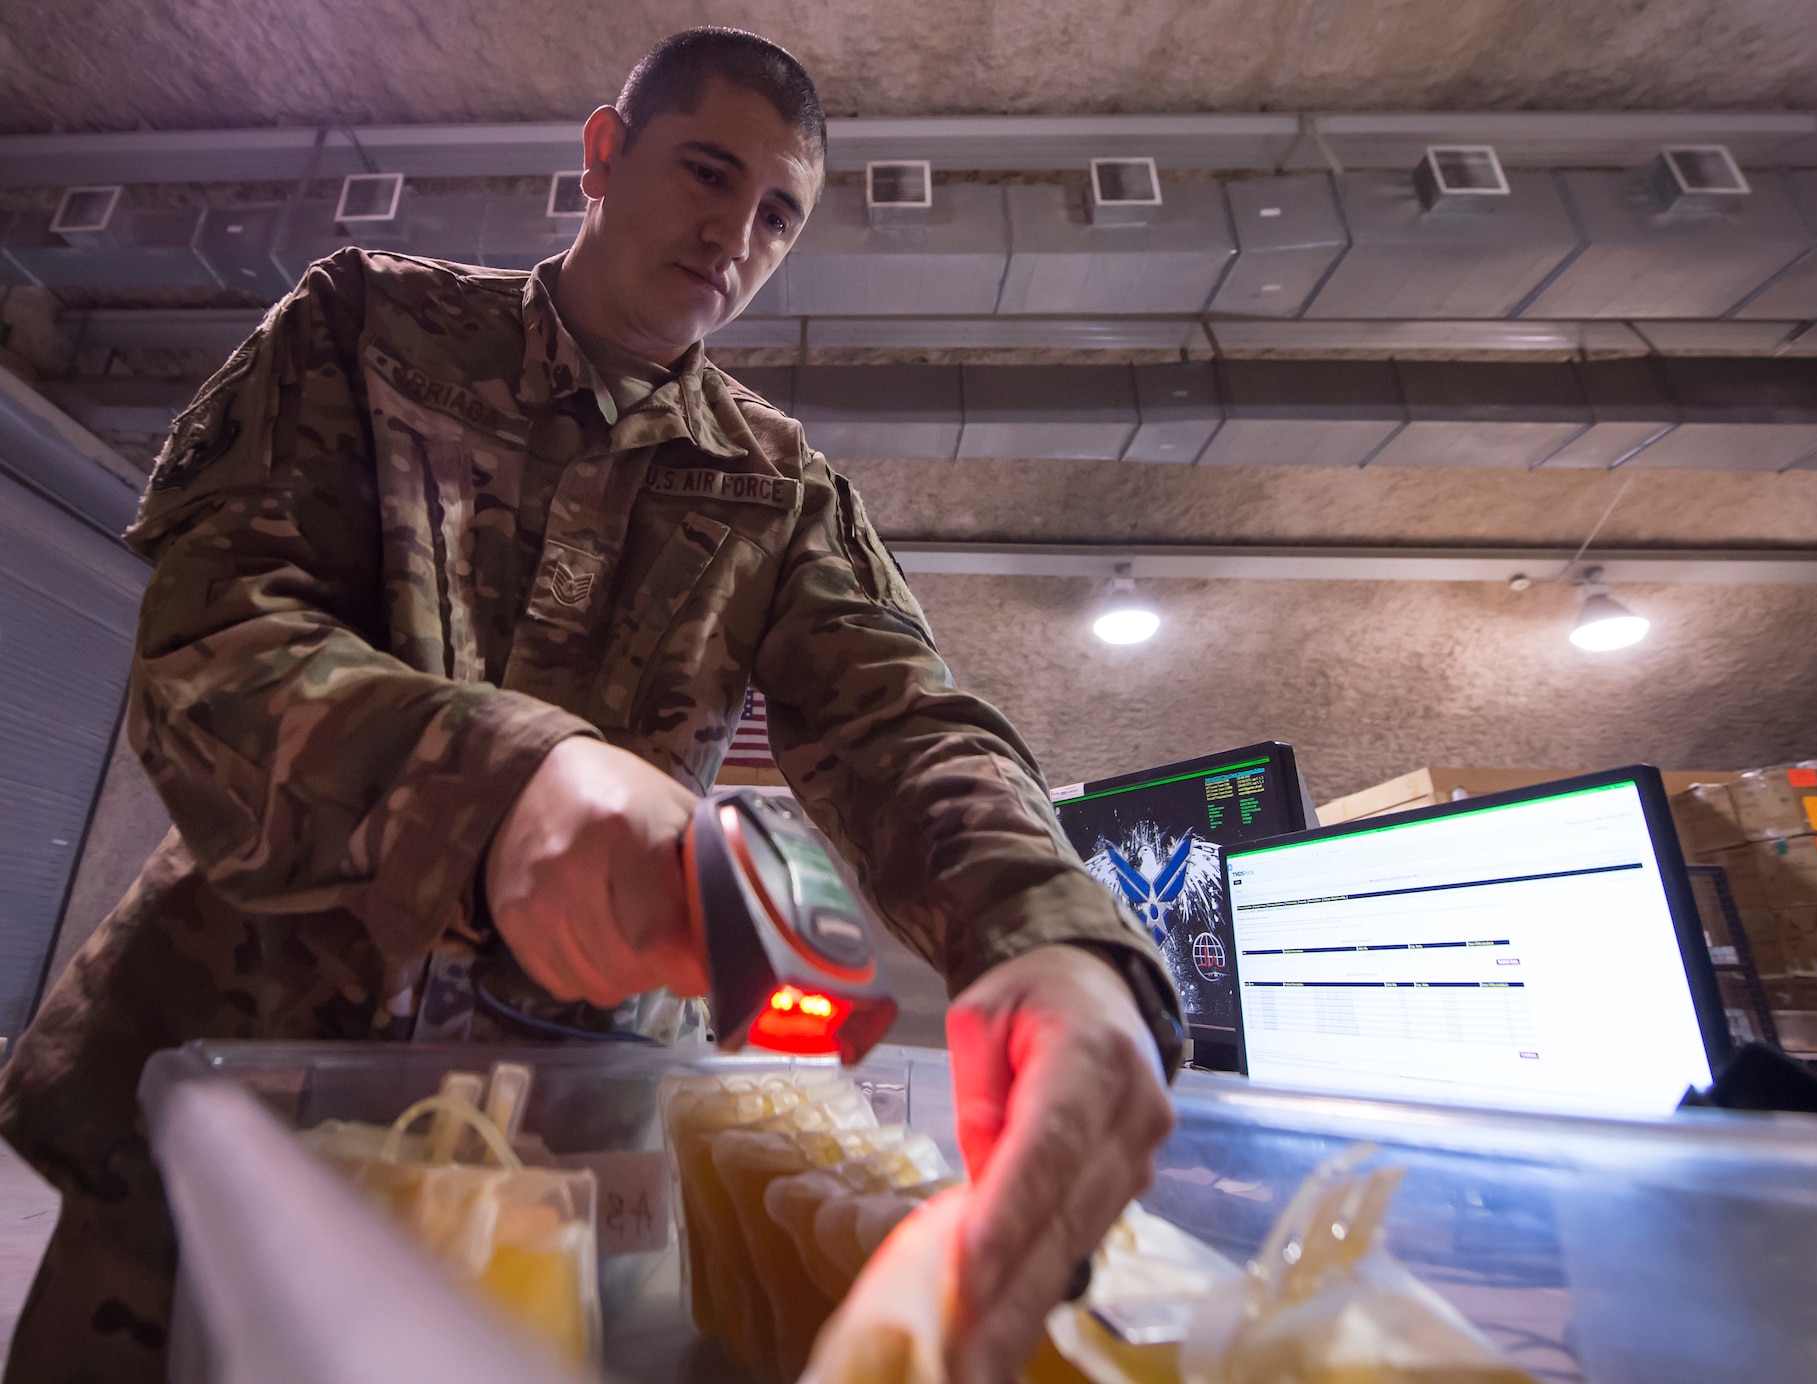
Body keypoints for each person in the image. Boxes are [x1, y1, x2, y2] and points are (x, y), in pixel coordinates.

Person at [0, 28, 1182, 1384]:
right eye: (707, 172)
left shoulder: (782, 488)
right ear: (605, 155)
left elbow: (903, 726)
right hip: (244, 1064)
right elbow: (211, 645)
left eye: (778, 214)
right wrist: (504, 787)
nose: (736, 232)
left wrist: (1046, 937)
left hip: (566, 1136)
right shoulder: (366, 328)